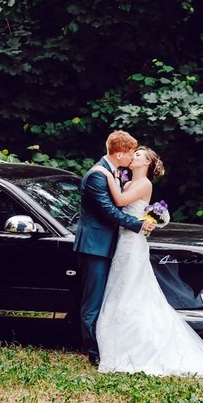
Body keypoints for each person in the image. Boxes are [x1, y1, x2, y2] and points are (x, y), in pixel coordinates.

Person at [94, 146, 203, 376]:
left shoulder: (144, 184)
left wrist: (106, 173)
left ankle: (141, 343)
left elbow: (119, 201)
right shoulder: (126, 183)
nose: (133, 156)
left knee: (133, 287)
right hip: (122, 241)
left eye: (138, 155)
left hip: (134, 243)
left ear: (146, 163)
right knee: (120, 286)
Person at [73, 130, 156, 367]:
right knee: (93, 301)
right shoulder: (98, 175)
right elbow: (109, 210)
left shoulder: (113, 172)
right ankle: (93, 351)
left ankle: (108, 343)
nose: (132, 157)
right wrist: (138, 224)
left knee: (109, 296)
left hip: (112, 244)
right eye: (131, 153)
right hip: (95, 245)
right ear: (120, 154)